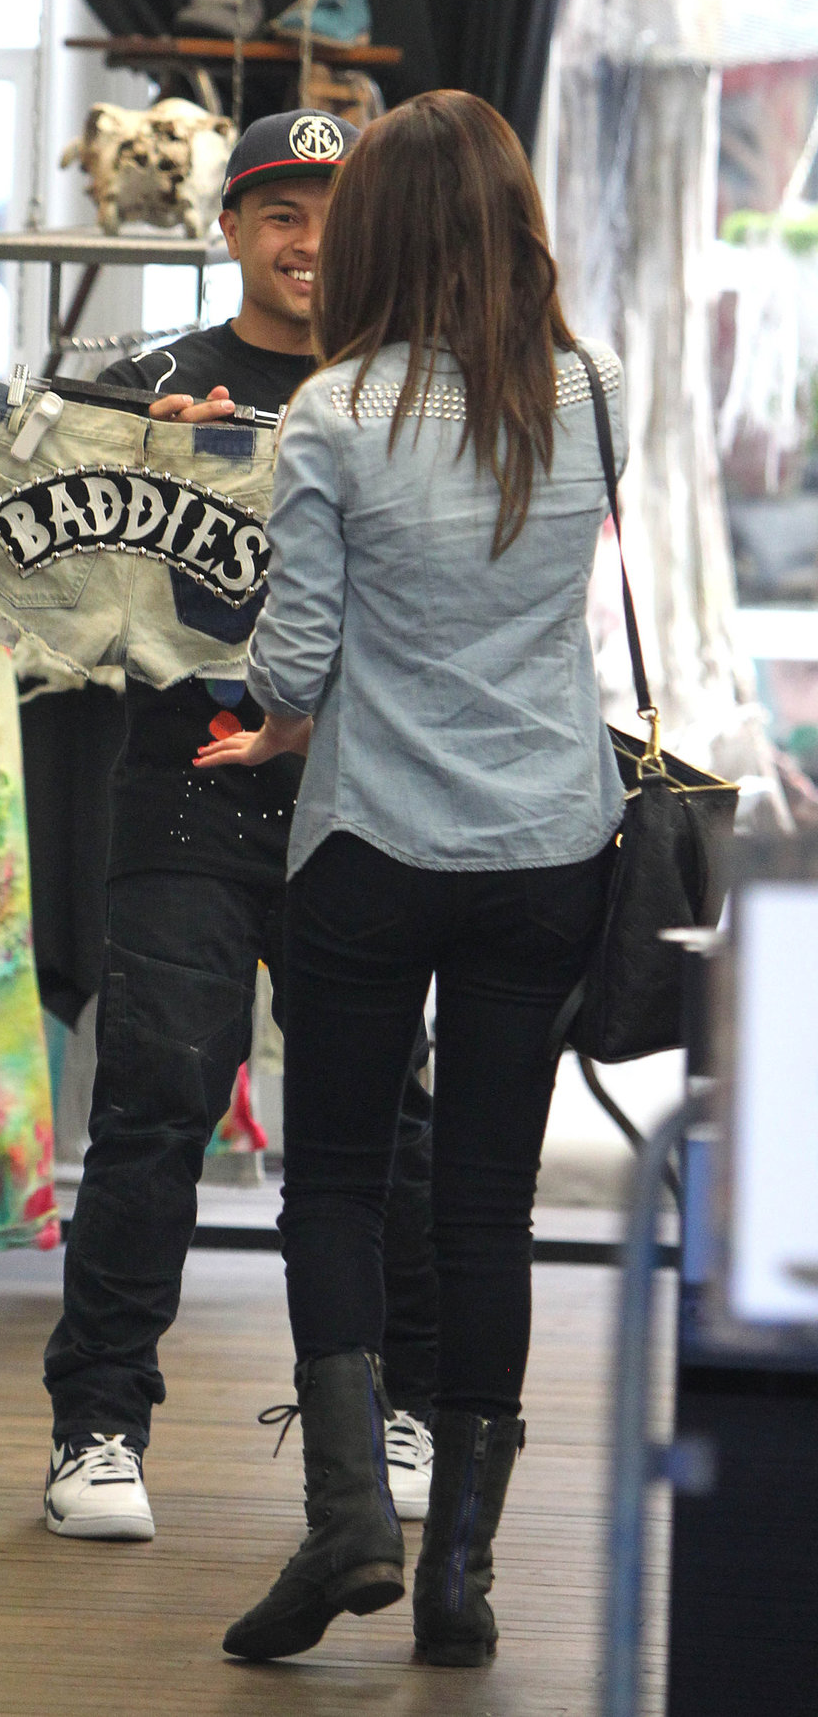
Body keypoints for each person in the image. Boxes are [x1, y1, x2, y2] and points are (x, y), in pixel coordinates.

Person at [197, 90, 626, 1666]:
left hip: (373, 846)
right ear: (516, 222)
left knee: (336, 1185)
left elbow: (294, 665)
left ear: (372, 229)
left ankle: (347, 1522)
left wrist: (272, 714)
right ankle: (460, 1576)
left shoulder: (335, 414)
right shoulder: (593, 392)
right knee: (490, 1205)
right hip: (549, 847)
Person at [42, 110, 438, 1541]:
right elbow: (51, 599)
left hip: (365, 800)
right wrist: (136, 479)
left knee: (383, 1114)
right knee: (156, 1098)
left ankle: (398, 1407)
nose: (309, 239)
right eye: (279, 211)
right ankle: (96, 1427)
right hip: (189, 785)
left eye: (334, 209)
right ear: (228, 230)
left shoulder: (418, 399)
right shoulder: (149, 386)